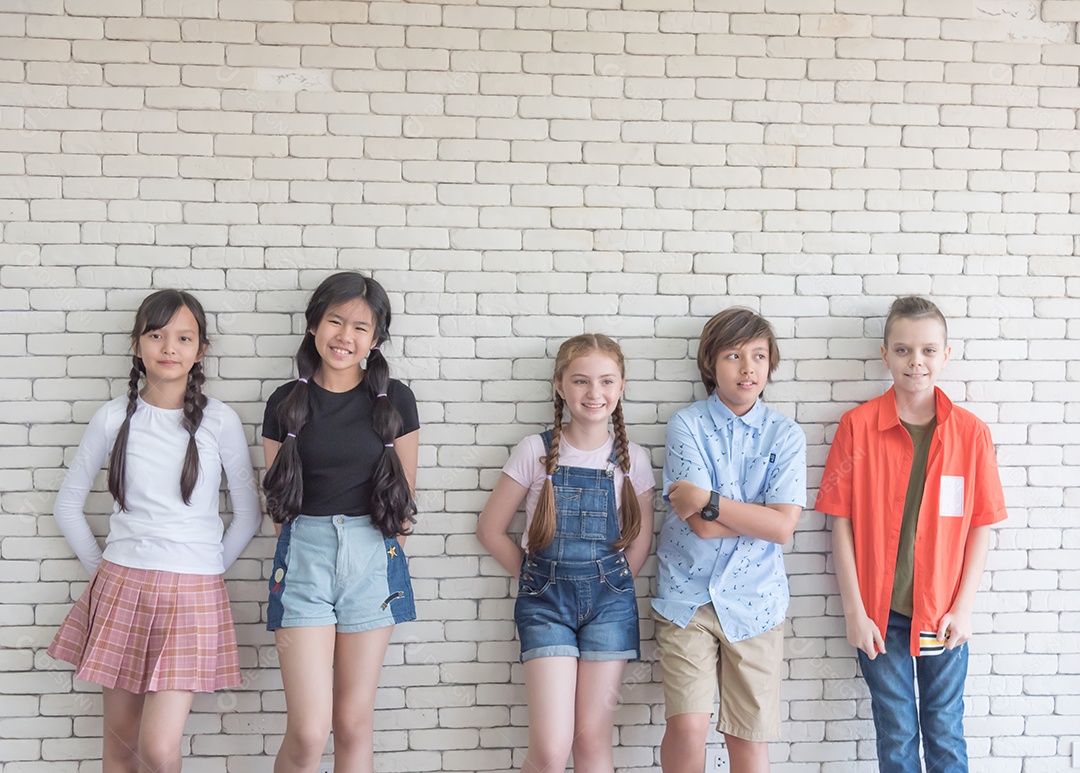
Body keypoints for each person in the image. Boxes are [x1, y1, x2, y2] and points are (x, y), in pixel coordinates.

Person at [47, 289, 261, 773]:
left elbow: (248, 513)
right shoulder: (112, 417)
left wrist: (203, 571)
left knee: (159, 750)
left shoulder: (220, 420)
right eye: (156, 335)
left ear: (200, 349)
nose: (169, 347)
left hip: (192, 594)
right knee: (120, 749)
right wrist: (105, 572)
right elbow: (67, 505)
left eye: (184, 337)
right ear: (137, 344)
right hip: (122, 586)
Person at [816, 296, 1007, 773]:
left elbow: (981, 525)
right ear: (885, 355)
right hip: (881, 617)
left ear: (945, 354)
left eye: (927, 350)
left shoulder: (970, 434)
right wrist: (855, 613)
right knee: (896, 733)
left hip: (941, 613)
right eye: (902, 350)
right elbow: (840, 524)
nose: (915, 362)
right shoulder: (857, 427)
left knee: (944, 728)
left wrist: (963, 609)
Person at [262, 271, 419, 773]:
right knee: (310, 732)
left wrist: (383, 547)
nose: (344, 336)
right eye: (334, 321)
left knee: (353, 725)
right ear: (313, 325)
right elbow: (277, 503)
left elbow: (404, 502)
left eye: (360, 327)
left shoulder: (396, 399)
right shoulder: (285, 403)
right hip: (304, 554)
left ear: (375, 339)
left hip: (372, 556)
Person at [476, 333, 655, 773]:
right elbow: (490, 529)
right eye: (580, 381)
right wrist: (536, 576)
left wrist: (612, 583)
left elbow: (641, 540)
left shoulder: (635, 460)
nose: (594, 393)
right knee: (552, 749)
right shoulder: (534, 451)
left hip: (610, 607)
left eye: (606, 381)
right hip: (545, 606)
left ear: (622, 386)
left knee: (592, 741)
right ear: (559, 386)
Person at [652, 307, 806, 773]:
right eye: (734, 355)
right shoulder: (687, 425)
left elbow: (782, 529)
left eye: (759, 356)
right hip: (687, 599)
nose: (748, 368)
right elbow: (697, 524)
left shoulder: (786, 434)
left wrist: (708, 499)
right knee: (688, 727)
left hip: (756, 601)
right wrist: (751, 516)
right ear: (710, 364)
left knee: (748, 739)